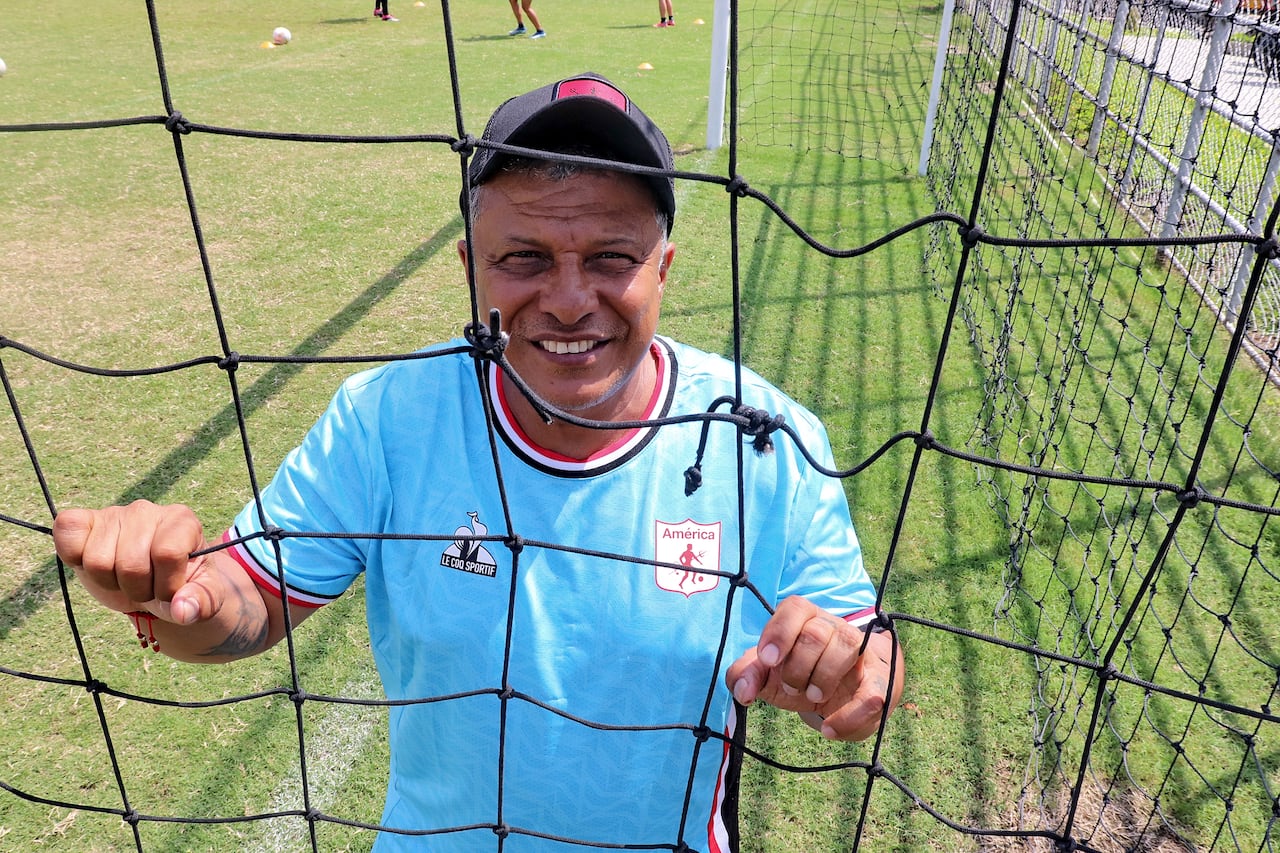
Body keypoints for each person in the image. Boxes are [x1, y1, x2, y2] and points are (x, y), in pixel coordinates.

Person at [52, 72, 904, 852]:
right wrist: (169, 592)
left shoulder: (759, 435)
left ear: (663, 269)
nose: (570, 299)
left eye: (612, 257)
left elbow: (874, 656)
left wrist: (849, 672)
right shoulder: (387, 416)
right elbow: (245, 603)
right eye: (523, 257)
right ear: (469, 268)